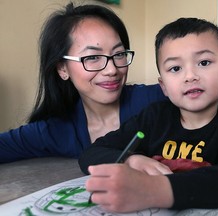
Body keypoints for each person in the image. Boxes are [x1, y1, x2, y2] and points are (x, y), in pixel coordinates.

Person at [78, 17, 218, 213]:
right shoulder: (154, 117)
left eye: (204, 62)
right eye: (175, 68)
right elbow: (91, 154)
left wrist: (155, 190)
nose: (190, 76)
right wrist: (130, 159)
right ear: (164, 86)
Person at [0, 2, 166, 163]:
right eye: (93, 57)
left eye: (119, 54)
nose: (112, 70)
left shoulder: (159, 99)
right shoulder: (57, 130)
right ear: (62, 69)